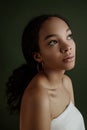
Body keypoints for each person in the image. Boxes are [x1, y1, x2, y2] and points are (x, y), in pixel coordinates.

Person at [6, 14, 85, 130]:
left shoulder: (66, 82)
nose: (67, 47)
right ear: (38, 56)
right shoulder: (39, 96)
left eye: (69, 36)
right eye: (53, 42)